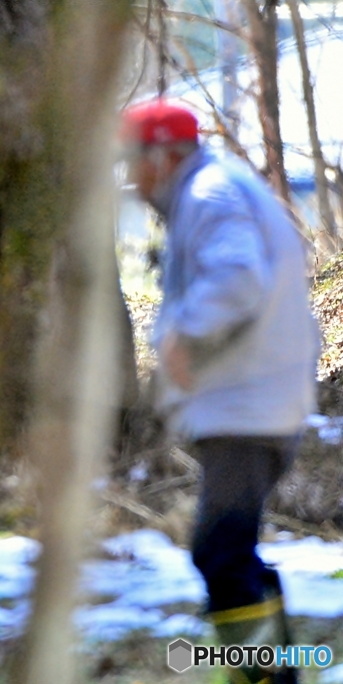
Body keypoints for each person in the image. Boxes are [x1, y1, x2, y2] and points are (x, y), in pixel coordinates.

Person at [119, 100, 321, 684]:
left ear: (163, 156)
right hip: (252, 402)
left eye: (135, 163)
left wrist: (185, 337)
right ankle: (271, 671)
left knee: (220, 554)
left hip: (247, 408)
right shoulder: (217, 188)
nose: (131, 180)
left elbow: (237, 279)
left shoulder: (209, 194)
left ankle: (264, 677)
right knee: (232, 553)